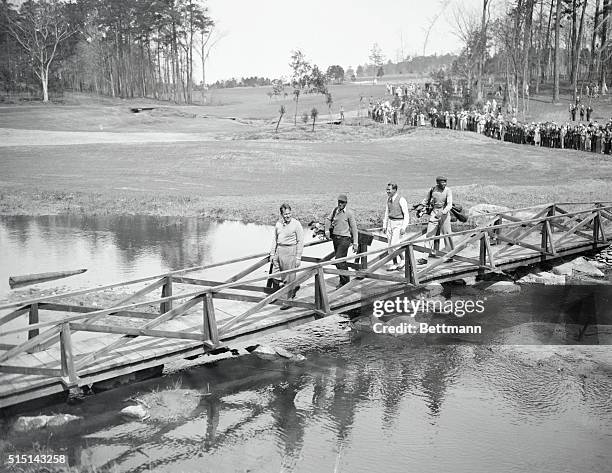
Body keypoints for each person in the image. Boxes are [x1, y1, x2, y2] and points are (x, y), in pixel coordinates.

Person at [269, 203, 304, 308]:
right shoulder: (278, 224)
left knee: (289, 277)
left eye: (289, 213)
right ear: (281, 214)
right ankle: (276, 295)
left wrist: (298, 257)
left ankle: (288, 300)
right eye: (285, 214)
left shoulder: (296, 224)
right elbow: (274, 239)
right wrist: (272, 253)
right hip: (279, 251)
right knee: (275, 276)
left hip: (290, 251)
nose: (288, 216)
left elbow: (300, 241)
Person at [324, 194, 359, 288]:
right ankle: (343, 280)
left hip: (345, 239)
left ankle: (345, 281)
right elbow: (328, 220)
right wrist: (327, 230)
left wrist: (355, 243)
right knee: (340, 262)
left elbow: (354, 228)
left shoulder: (349, 213)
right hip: (335, 239)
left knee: (338, 260)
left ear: (346, 203)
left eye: (342, 202)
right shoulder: (335, 210)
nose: (340, 204)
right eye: (339, 201)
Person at [418, 176, 454, 265]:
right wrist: (421, 206)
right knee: (429, 234)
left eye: (445, 182)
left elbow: (450, 205)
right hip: (434, 212)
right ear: (438, 183)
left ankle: (450, 255)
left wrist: (443, 212)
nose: (444, 184)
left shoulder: (448, 190)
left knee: (447, 234)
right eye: (442, 182)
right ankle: (424, 257)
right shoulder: (432, 189)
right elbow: (426, 200)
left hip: (444, 213)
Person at [383, 182, 410, 271]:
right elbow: (387, 213)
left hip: (398, 223)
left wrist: (404, 227)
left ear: (394, 190)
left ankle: (403, 259)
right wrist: (384, 225)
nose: (387, 191)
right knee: (390, 246)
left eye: (389, 190)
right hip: (390, 223)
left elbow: (406, 214)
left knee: (395, 244)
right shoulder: (388, 199)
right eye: (387, 189)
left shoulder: (401, 200)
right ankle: (395, 263)